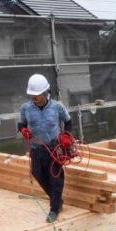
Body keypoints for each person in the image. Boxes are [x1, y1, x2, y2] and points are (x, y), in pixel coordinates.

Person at [17, 73, 73, 223]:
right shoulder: (26, 109)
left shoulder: (57, 107)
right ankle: (57, 199)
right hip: (36, 149)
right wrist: (23, 130)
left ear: (45, 93)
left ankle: (54, 209)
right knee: (37, 173)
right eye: (32, 95)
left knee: (56, 178)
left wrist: (66, 136)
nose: (33, 97)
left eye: (37, 95)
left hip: (54, 149)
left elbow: (68, 122)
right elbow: (21, 124)